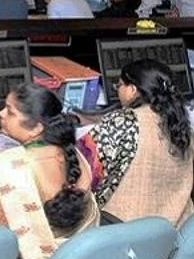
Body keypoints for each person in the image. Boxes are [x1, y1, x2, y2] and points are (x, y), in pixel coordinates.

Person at [0, 84, 99, 259]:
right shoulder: (74, 154)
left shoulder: (9, 166)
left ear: (36, 128)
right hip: (80, 253)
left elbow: (1, 232)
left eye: (10, 112)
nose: (1, 114)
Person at [78, 59, 193, 227]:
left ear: (132, 90)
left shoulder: (124, 121)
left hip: (122, 230)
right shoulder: (181, 125)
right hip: (173, 230)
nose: (117, 90)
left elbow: (84, 170)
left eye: (119, 85)